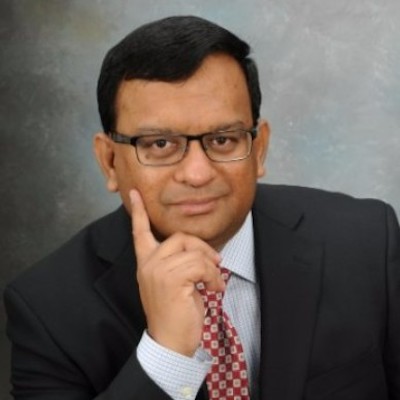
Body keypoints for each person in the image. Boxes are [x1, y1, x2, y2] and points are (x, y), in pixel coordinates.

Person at [4, 15, 400, 400]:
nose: (196, 173)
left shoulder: (366, 242)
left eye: (224, 139)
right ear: (109, 161)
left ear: (258, 149)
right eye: (160, 145)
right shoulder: (46, 310)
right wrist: (166, 355)